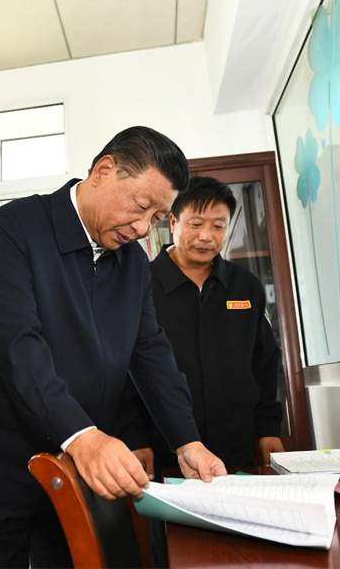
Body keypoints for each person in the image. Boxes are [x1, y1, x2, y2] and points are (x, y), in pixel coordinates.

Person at [0, 126, 227, 568]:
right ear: (104, 171)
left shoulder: (132, 263)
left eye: (155, 218)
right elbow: (18, 345)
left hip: (72, 463)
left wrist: (187, 440)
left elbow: (151, 353)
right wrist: (84, 436)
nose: (142, 226)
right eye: (140, 206)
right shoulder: (17, 227)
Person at [118, 176, 285, 478]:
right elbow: (122, 369)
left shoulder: (245, 286)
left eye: (218, 226)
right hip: (165, 452)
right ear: (172, 221)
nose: (206, 236)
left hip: (237, 450)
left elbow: (265, 363)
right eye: (195, 224)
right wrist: (134, 437)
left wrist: (268, 428)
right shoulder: (140, 285)